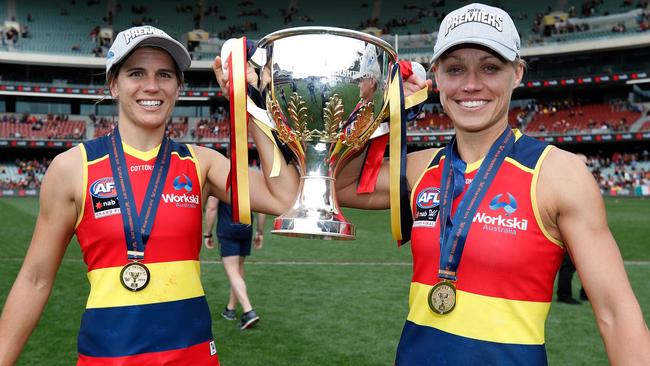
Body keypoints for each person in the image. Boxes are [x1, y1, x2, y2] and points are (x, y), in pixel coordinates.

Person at [334, 3, 650, 365]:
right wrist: (379, 108)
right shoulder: (422, 167)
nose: (471, 84)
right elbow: (341, 185)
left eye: (490, 67)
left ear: (517, 73)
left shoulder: (557, 175)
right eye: (455, 69)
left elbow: (617, 314)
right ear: (435, 76)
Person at [0, 25, 297, 365]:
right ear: (114, 84)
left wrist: (248, 103)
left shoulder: (201, 164)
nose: (152, 86)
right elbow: (35, 279)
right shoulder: (72, 168)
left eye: (165, 74)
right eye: (136, 73)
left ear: (178, 87)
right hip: (107, 359)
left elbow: (284, 199)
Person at [203, 196, 266, 330]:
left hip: (228, 228)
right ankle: (230, 309)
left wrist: (207, 233)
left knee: (232, 271)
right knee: (238, 269)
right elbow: (262, 208)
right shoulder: (251, 176)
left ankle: (248, 311)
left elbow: (211, 207)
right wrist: (260, 231)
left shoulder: (219, 176)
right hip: (246, 228)